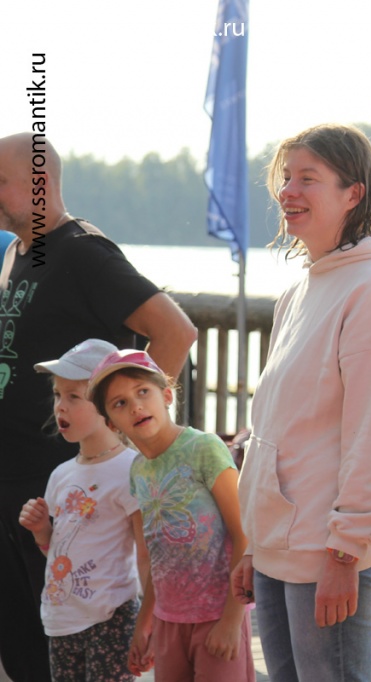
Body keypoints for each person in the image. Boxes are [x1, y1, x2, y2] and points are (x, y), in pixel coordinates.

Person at [230, 123, 371, 682]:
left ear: (353, 194)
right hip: (279, 546)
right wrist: (253, 544)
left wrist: (345, 553)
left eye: (308, 179)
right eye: (286, 177)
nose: (288, 191)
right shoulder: (300, 289)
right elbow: (273, 425)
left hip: (330, 553)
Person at [0, 132, 197, 681]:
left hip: (66, 489)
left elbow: (175, 332)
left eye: (0, 181)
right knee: (21, 647)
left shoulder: (84, 253)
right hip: (15, 483)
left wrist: (129, 436)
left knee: (69, 648)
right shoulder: (17, 253)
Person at [88, 349, 253, 681]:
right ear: (110, 423)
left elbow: (245, 534)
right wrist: (145, 624)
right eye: (120, 403)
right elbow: (159, 558)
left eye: (142, 392)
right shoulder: (138, 471)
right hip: (167, 622)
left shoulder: (203, 448)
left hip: (218, 616)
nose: (135, 406)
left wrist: (231, 621)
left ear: (166, 395)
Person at [18, 339, 146, 682]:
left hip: (111, 619)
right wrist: (41, 530)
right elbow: (58, 553)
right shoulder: (61, 475)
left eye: (74, 396)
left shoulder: (132, 469)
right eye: (57, 395)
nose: (60, 406)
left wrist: (150, 622)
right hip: (61, 620)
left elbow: (146, 555)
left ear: (107, 403)